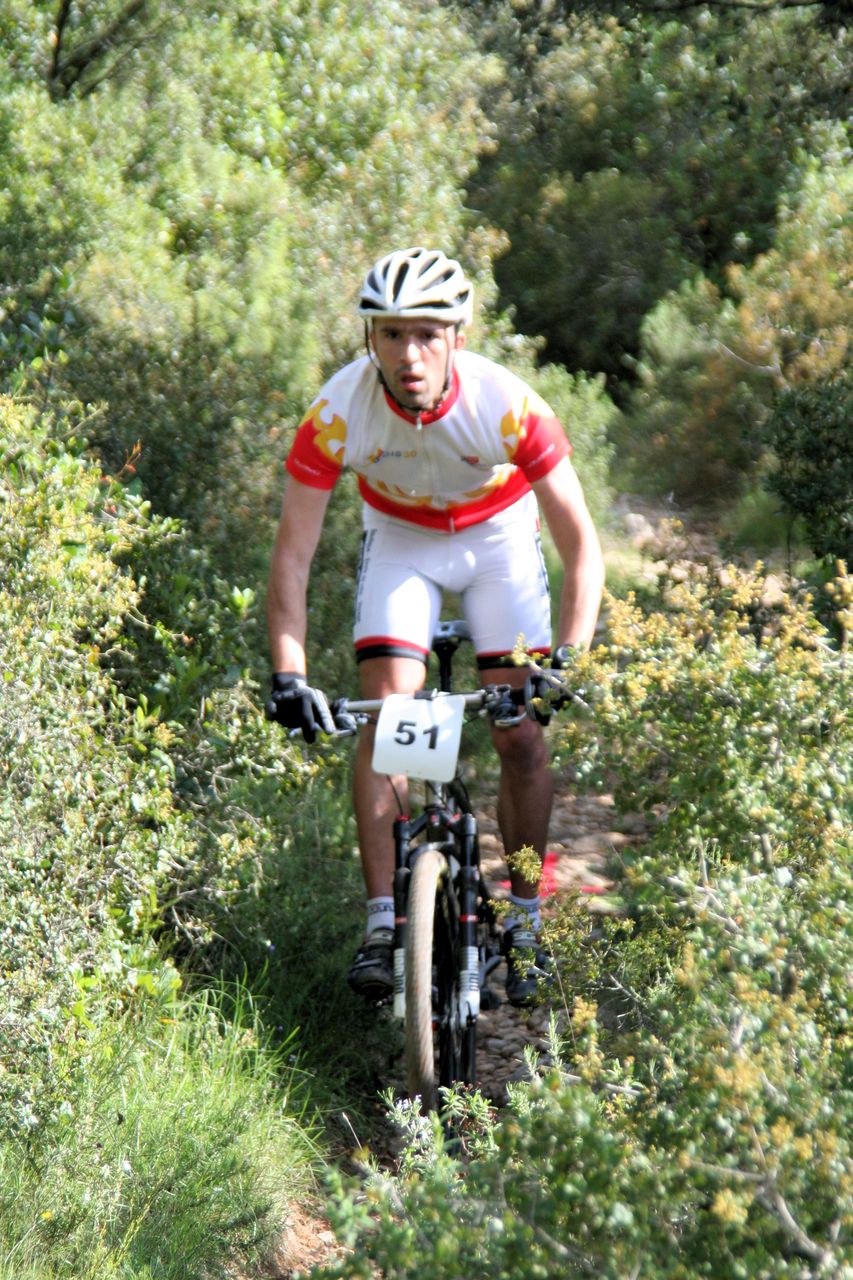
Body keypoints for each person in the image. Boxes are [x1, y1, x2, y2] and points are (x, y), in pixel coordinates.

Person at [267, 246, 605, 1006]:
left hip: (497, 539)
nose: (409, 354)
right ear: (370, 339)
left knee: (519, 733)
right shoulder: (337, 413)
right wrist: (289, 673)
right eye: (392, 334)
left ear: (458, 336)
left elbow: (580, 544)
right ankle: (384, 923)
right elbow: (291, 557)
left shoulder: (507, 404)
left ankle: (524, 916)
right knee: (390, 719)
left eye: (427, 334)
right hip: (402, 543)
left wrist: (569, 659)